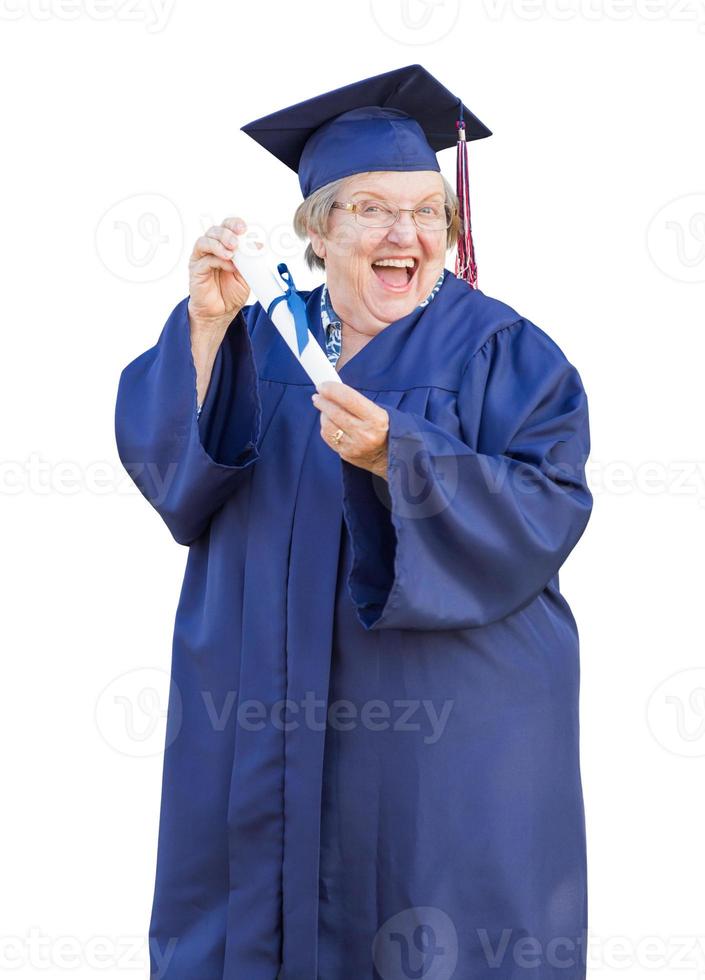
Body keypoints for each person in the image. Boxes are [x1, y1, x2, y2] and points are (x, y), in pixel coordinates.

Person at [115, 64, 593, 980]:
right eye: (369, 209)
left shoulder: (500, 351)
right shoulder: (259, 340)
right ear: (318, 231)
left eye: (425, 213)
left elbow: (549, 508)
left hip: (441, 734)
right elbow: (173, 483)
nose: (402, 233)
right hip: (258, 710)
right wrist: (205, 335)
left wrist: (402, 460)